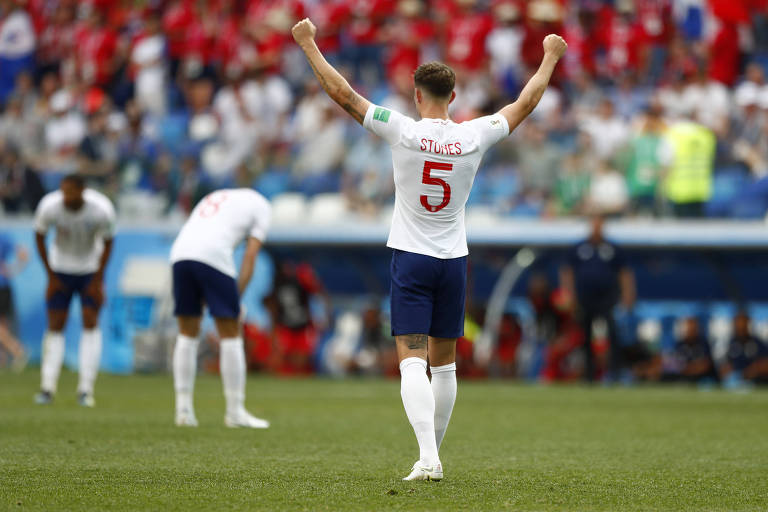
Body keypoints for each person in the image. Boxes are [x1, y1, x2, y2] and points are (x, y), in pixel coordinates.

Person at [292, 17, 567, 481]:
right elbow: (526, 103)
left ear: (417, 95)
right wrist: (550, 57)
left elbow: (343, 94)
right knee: (444, 368)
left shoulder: (400, 129)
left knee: (411, 361)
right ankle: (432, 455)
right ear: (453, 97)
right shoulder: (473, 135)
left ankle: (427, 457)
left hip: (412, 258)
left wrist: (308, 45)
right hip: (454, 261)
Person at [169, 188, 271, 429]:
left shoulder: (214, 196)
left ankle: (183, 411)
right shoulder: (262, 205)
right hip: (213, 254)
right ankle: (235, 412)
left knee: (187, 332)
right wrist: (236, 300)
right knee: (231, 334)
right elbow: (250, 255)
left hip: (180, 254)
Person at [33, 175, 115, 406]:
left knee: (90, 322)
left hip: (89, 268)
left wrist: (98, 280)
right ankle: (47, 387)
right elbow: (39, 236)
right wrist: (50, 276)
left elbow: (109, 241)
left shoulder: (101, 209)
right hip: (60, 268)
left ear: (82, 191)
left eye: (71, 192)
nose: (66, 197)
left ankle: (85, 390)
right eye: (63, 192)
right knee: (56, 324)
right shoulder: (50, 206)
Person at [560, 215, 636, 383]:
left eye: (600, 224)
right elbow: (567, 272)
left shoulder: (612, 248)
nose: (597, 228)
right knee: (585, 336)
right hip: (584, 299)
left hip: (607, 298)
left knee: (612, 334)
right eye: (594, 224)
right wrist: (568, 295)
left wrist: (628, 295)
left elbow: (625, 273)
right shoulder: (579, 248)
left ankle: (615, 372)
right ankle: (589, 375)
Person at [0, 233, 28, 370]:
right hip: (4, 286)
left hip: (2, 285)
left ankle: (17, 349)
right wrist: (12, 270)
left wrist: (12, 270)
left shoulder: (3, 237)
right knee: (3, 324)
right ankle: (2, 360)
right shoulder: (4, 236)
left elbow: (23, 254)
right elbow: (23, 254)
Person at [720, 312, 768, 386]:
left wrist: (754, 370)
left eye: (743, 325)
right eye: (738, 325)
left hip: (756, 381)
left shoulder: (757, 343)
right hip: (735, 381)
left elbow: (765, 364)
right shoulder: (731, 343)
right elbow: (724, 366)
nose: (740, 328)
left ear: (748, 325)